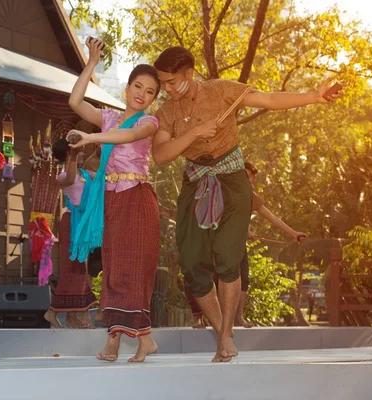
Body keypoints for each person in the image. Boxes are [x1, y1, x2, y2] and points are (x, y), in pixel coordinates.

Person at [151, 46, 341, 362]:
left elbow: (267, 99)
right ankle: (223, 331)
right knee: (192, 264)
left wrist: (313, 96)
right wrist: (196, 131)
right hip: (196, 183)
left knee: (228, 257)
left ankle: (225, 337)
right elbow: (160, 155)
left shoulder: (222, 90)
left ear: (189, 73)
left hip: (232, 182)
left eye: (172, 82)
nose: (166, 88)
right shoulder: (166, 112)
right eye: (163, 82)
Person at [66, 37, 161, 362]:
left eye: (150, 92)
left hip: (137, 198)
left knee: (134, 269)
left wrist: (90, 137)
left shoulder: (149, 122)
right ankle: (133, 340)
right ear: (127, 86)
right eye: (138, 86)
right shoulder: (108, 117)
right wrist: (91, 62)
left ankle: (120, 341)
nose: (142, 94)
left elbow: (129, 136)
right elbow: (76, 102)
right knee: (115, 268)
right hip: (112, 200)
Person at [184, 161, 307, 329]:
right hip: (216, 242)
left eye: (250, 176)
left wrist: (293, 233)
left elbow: (270, 216)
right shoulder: (222, 190)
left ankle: (238, 317)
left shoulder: (251, 197)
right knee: (214, 277)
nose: (248, 179)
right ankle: (213, 319)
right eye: (244, 176)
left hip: (236, 243)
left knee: (243, 278)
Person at [44, 140, 99, 329]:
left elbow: (102, 178)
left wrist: (102, 147)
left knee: (80, 268)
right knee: (73, 268)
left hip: (83, 224)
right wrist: (74, 155)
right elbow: (69, 179)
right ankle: (63, 312)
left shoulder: (86, 175)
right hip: (71, 223)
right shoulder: (64, 176)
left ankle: (70, 316)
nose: (82, 153)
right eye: (77, 152)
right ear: (68, 154)